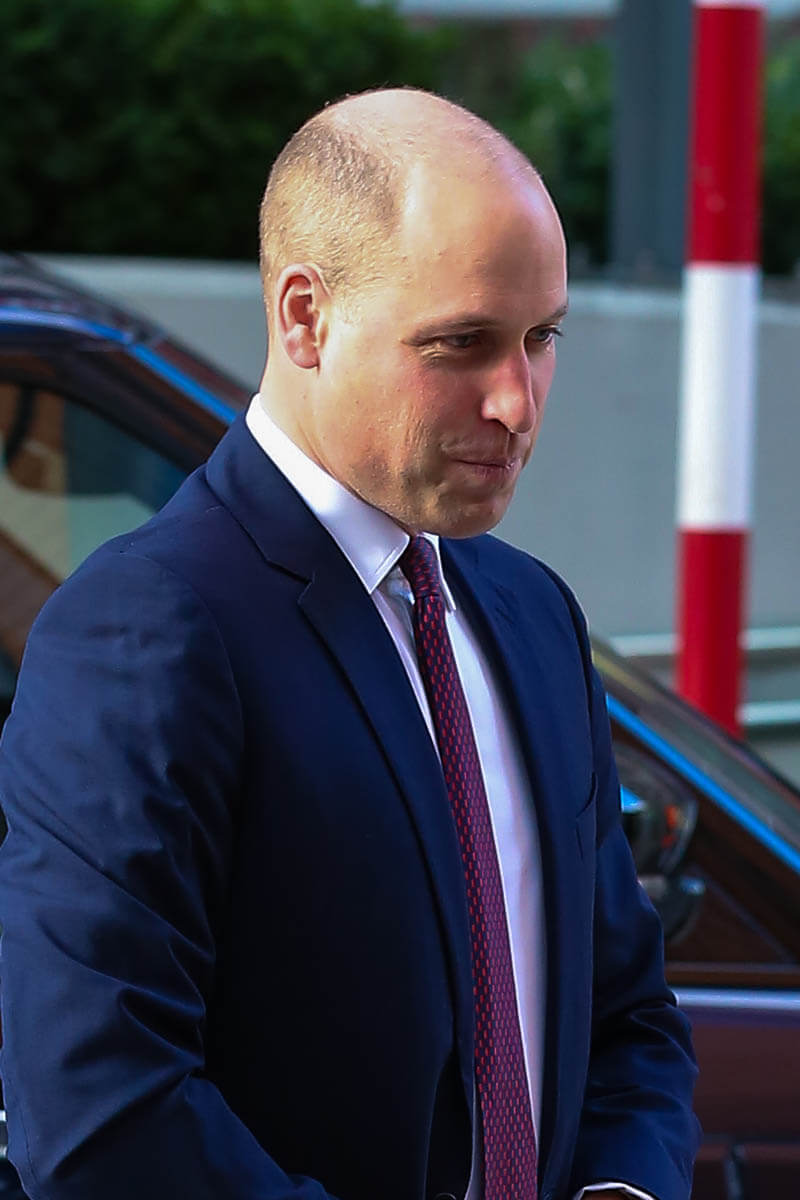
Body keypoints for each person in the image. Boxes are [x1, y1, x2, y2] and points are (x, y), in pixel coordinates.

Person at [0, 89, 699, 1200]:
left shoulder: (531, 615)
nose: (517, 402)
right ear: (304, 318)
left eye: (540, 339)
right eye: (462, 343)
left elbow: (626, 1018)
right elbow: (100, 1112)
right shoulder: (146, 626)